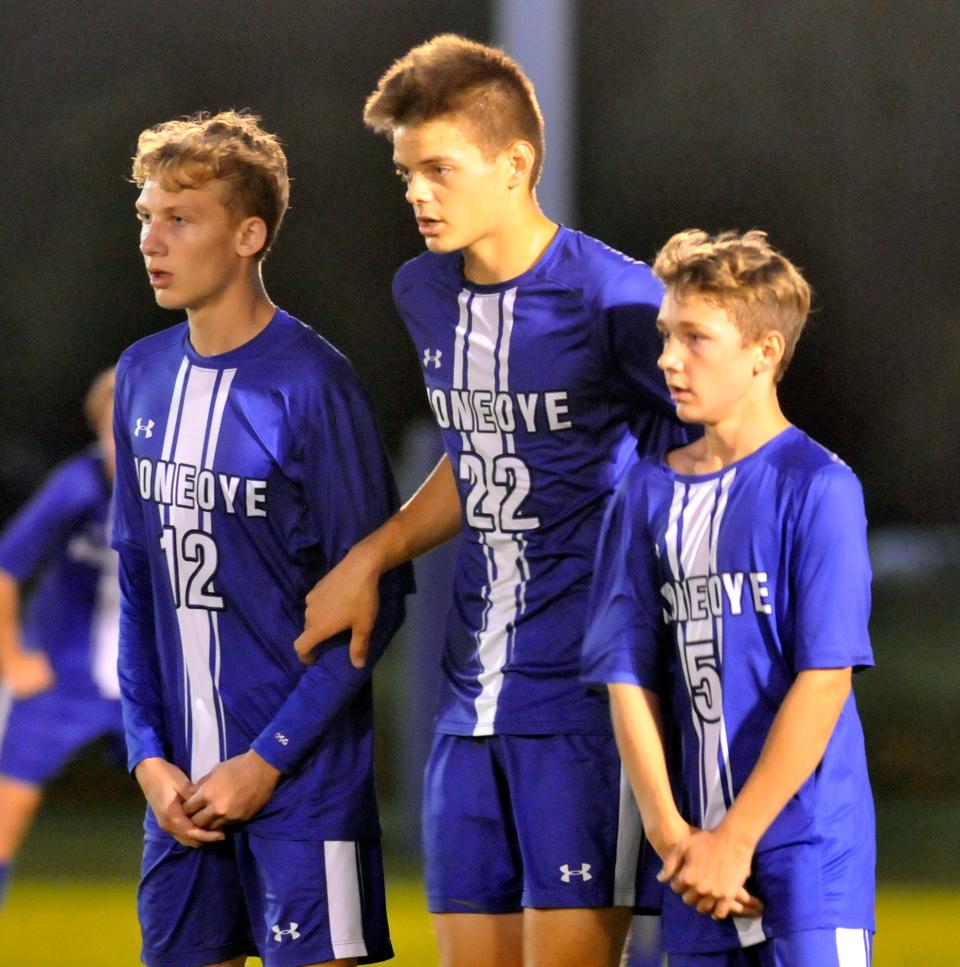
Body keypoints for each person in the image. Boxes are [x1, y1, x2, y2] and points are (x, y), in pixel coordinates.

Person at [294, 35, 688, 967]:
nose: (417, 195)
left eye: (439, 169)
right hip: (467, 700)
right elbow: (481, 460)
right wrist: (374, 552)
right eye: (405, 173)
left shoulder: (620, 299)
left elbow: (712, 459)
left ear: (516, 164)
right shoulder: (424, 291)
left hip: (587, 703)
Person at [114, 110, 410, 967]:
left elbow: (376, 601)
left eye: (180, 217)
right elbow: (140, 581)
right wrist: (147, 759)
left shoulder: (314, 385)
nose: (151, 240)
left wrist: (267, 761)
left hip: (304, 789)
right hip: (179, 795)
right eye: (145, 216)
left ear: (248, 235)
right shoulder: (142, 373)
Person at [581, 229, 876, 966]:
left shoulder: (819, 486)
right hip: (692, 869)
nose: (668, 360)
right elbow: (626, 675)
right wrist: (675, 838)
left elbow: (825, 678)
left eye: (695, 338)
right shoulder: (646, 491)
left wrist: (737, 839)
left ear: (764, 352)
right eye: (664, 336)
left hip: (807, 854)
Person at [0, 367, 123, 908]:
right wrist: (12, 658)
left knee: (205, 811)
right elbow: (5, 569)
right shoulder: (79, 485)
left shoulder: (193, 493)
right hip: (64, 675)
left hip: (154, 682)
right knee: (7, 812)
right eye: (110, 430)